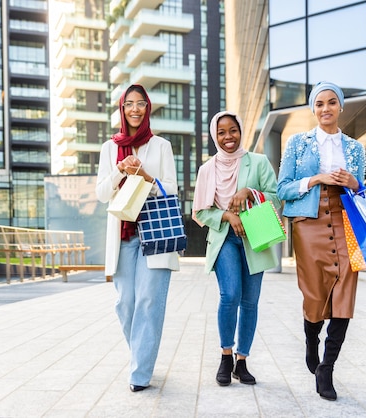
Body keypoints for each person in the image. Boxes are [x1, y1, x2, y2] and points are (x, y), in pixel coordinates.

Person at [276, 82, 366, 401]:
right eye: (319, 104)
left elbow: (362, 191)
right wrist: (316, 179)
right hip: (308, 222)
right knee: (314, 294)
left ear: (341, 107)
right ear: (313, 110)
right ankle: (311, 339)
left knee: (346, 290)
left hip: (346, 222)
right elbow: (282, 188)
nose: (325, 108)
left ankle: (327, 368)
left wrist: (354, 183)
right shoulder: (298, 143)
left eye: (331, 103)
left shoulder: (355, 148)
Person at [95, 84, 179, 393]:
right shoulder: (109, 147)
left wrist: (145, 175)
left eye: (140, 103)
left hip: (155, 233)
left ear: (147, 108)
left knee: (147, 302)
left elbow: (172, 189)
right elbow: (102, 193)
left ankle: (140, 372)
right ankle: (142, 356)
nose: (134, 109)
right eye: (128, 103)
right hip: (124, 236)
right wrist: (119, 169)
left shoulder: (161, 145)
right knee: (125, 304)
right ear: (121, 108)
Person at [193, 111, 280, 387]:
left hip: (256, 237)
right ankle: (225, 355)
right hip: (224, 239)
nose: (228, 137)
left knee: (250, 301)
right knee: (230, 294)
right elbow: (200, 212)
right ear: (214, 136)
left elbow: (277, 198)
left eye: (233, 130)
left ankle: (242, 361)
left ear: (241, 131)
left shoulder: (258, 162)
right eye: (221, 132)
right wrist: (227, 216)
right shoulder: (207, 169)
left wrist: (249, 193)